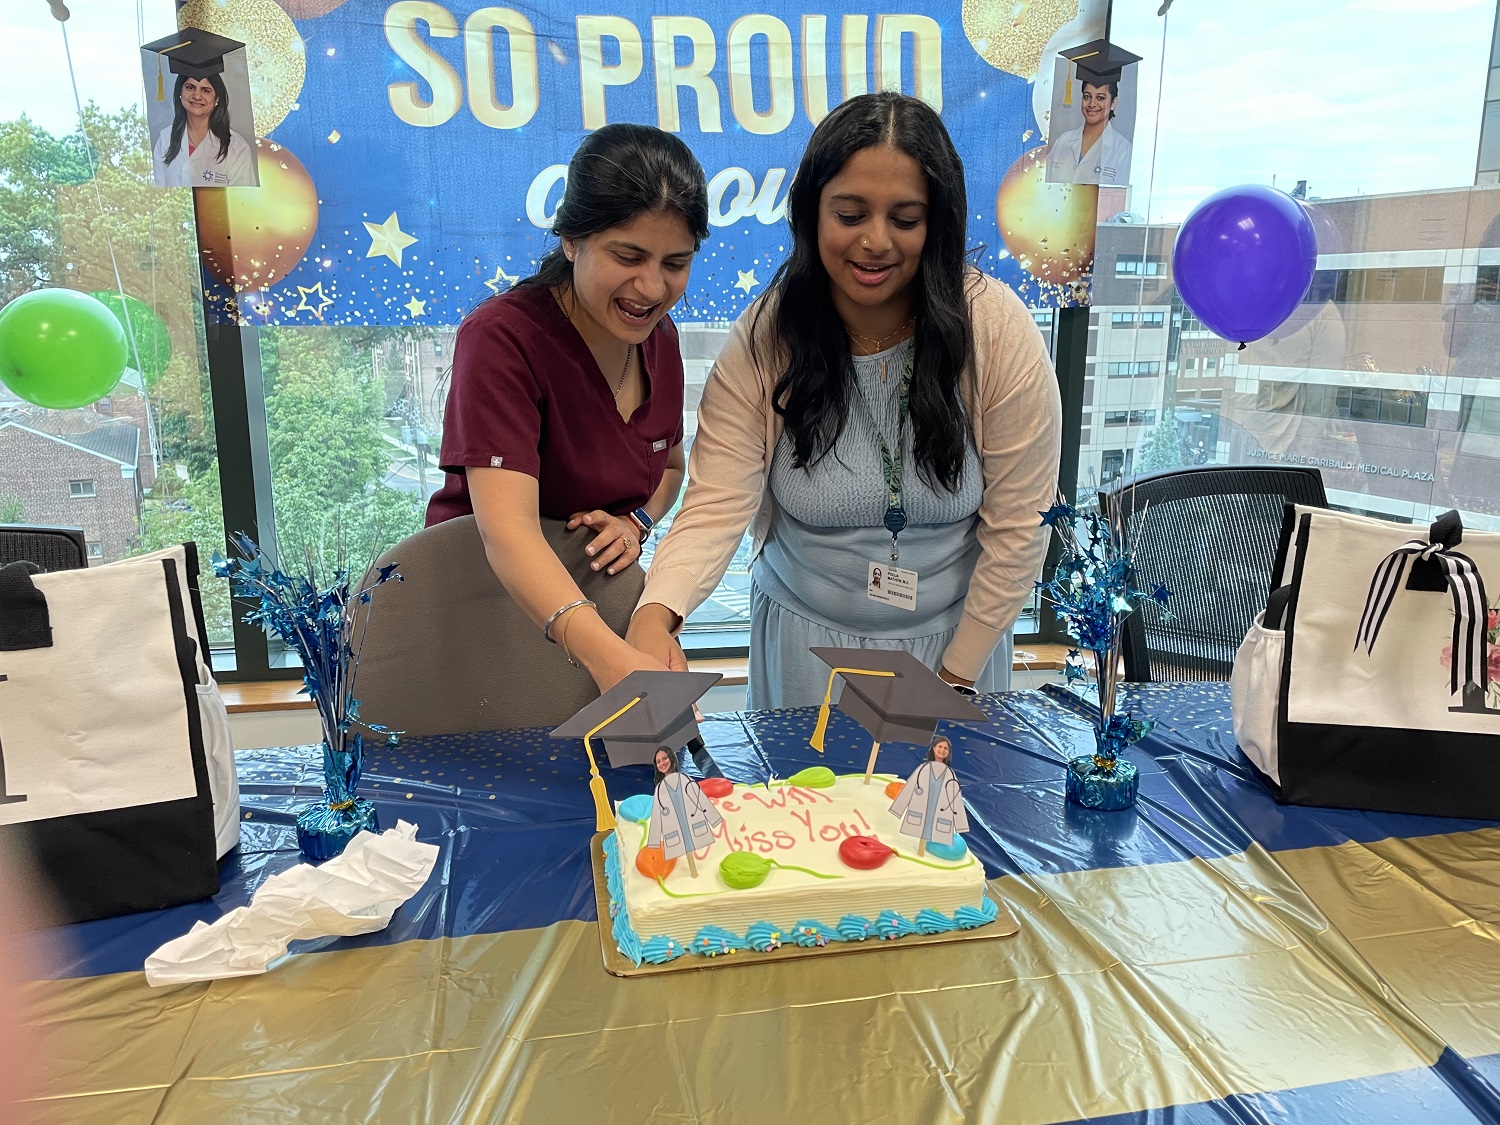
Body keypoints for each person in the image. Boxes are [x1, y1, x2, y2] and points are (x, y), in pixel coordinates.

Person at [627, 92, 1062, 708]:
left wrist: (957, 679)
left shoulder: (993, 327)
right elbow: (717, 501)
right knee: (809, 806)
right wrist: (657, 614)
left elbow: (1021, 526)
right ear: (812, 213)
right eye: (850, 214)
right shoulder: (766, 335)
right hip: (804, 648)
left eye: (905, 219)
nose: (876, 242)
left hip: (955, 647)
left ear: (938, 222)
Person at [427, 123, 708, 692]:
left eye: (675, 263)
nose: (651, 288)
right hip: (487, 611)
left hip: (602, 617)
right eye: (628, 255)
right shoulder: (502, 338)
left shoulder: (662, 338)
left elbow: (672, 467)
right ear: (571, 239)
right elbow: (509, 534)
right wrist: (610, 659)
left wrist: (638, 522)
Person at [151, 72, 256, 187]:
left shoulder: (236, 147)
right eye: (190, 88)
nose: (196, 96)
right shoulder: (165, 138)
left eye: (205, 90)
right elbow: (158, 192)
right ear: (180, 93)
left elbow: (243, 200)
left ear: (217, 99)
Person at [1045, 79, 1132, 186]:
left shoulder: (1123, 150)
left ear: (1113, 103)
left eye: (1100, 98)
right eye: (1087, 97)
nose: (1092, 104)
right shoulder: (1063, 140)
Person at [888, 735, 968, 848]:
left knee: (934, 831)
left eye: (946, 748)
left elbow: (956, 800)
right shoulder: (923, 769)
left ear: (949, 753)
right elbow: (909, 789)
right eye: (940, 746)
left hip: (939, 815)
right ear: (934, 748)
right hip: (920, 812)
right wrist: (898, 809)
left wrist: (961, 825)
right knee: (920, 828)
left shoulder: (950, 775)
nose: (942, 750)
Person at [647, 746, 724, 861]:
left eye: (665, 758)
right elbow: (657, 816)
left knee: (697, 845)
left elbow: (701, 800)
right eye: (658, 761)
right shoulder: (659, 790)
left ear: (672, 758)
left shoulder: (686, 780)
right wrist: (654, 842)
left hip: (695, 828)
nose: (662, 763)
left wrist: (715, 820)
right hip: (675, 836)